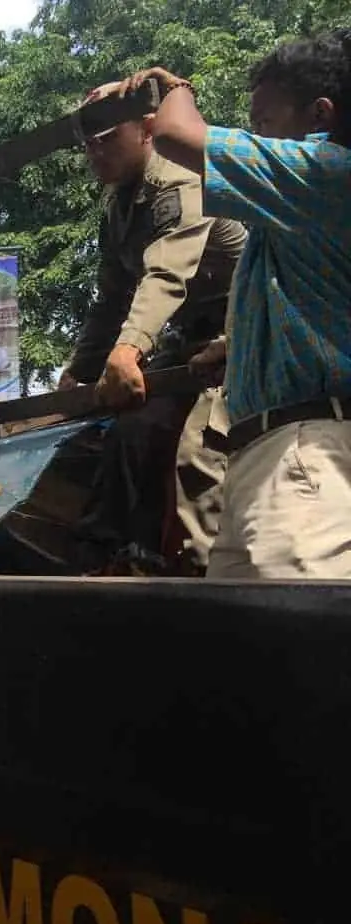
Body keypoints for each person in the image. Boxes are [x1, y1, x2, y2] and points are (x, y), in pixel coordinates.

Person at [120, 33, 351, 578]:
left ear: (320, 115)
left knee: (293, 645)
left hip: (306, 459)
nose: (254, 136)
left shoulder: (326, 169)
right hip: (274, 454)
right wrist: (238, 348)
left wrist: (170, 84)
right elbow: (306, 305)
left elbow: (177, 134)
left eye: (264, 121)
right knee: (244, 643)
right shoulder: (296, 215)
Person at [60, 81, 245, 567]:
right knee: (128, 431)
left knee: (197, 454)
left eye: (107, 137)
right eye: (88, 144)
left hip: (247, 332)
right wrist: (81, 369)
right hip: (189, 343)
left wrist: (129, 349)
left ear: (146, 130)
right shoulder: (119, 207)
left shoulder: (180, 178)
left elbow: (167, 272)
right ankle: (118, 557)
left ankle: (205, 580)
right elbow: (112, 297)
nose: (95, 151)